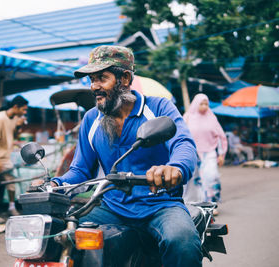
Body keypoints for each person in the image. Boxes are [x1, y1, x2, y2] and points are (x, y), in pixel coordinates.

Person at [35, 45, 202, 266]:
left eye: (101, 78)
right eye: (91, 80)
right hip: (111, 208)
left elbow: (183, 144)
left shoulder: (159, 107)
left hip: (160, 205)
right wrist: (56, 183)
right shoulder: (91, 119)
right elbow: (80, 170)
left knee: (182, 242)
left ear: (124, 78)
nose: (94, 87)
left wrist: (175, 168)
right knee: (61, 235)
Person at [0, 96, 28, 223]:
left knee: (11, 181)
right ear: (15, 107)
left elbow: (12, 135)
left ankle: (11, 207)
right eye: (23, 110)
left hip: (5, 157)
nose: (24, 112)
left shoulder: (14, 118)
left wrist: (18, 127)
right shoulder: (0, 117)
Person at [183, 94, 227, 214]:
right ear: (196, 104)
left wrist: (221, 154)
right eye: (201, 104)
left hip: (209, 153)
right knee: (193, 181)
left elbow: (220, 136)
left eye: (206, 104)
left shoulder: (211, 117)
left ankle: (211, 204)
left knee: (211, 177)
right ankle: (192, 205)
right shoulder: (187, 117)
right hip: (192, 153)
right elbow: (181, 135)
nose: (204, 106)